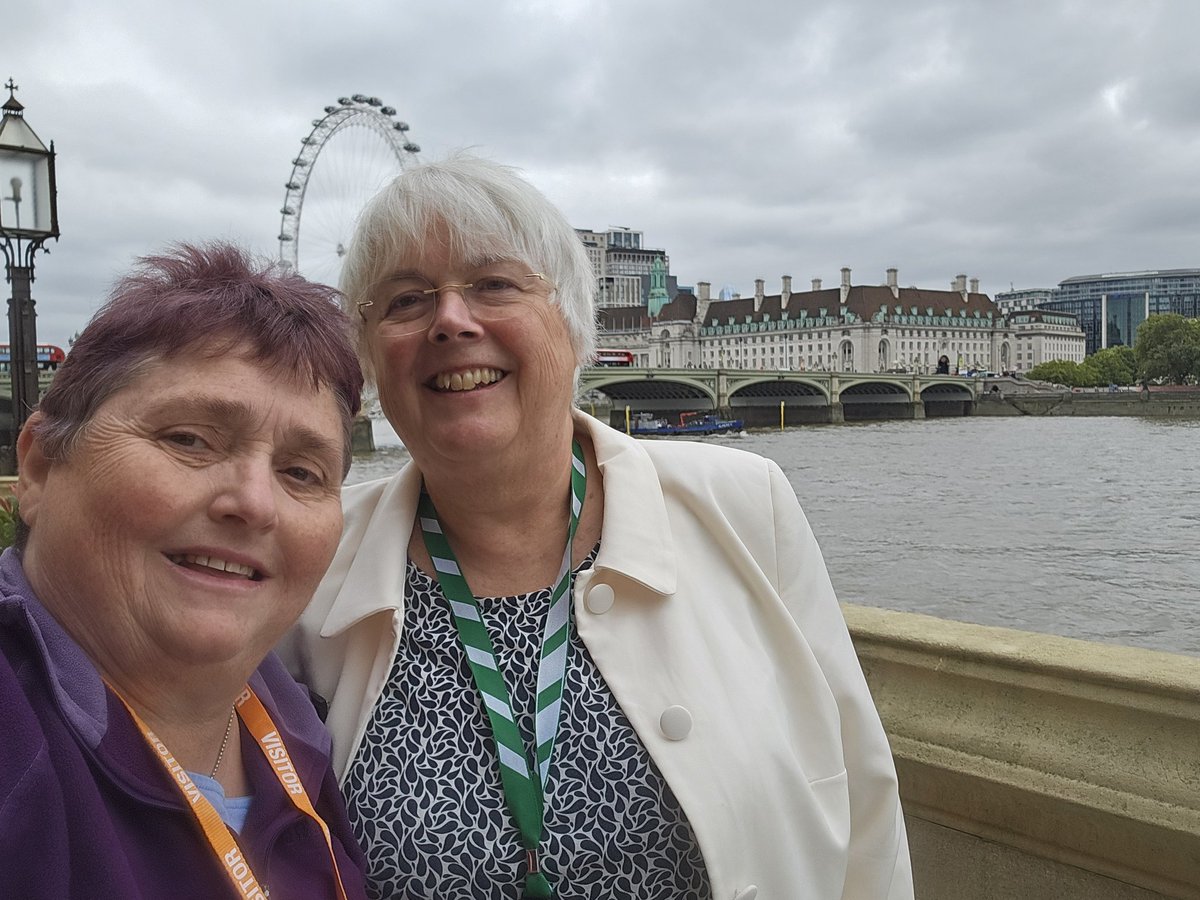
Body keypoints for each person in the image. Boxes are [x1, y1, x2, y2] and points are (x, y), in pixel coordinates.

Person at [283, 155, 913, 899]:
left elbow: (865, 820)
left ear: (575, 327)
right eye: (406, 300)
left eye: (495, 284)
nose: (451, 320)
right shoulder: (309, 555)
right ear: (369, 359)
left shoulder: (747, 505)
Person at [0, 243, 369, 898]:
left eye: (301, 473)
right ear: (38, 468)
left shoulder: (296, 723)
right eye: (189, 439)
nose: (255, 503)